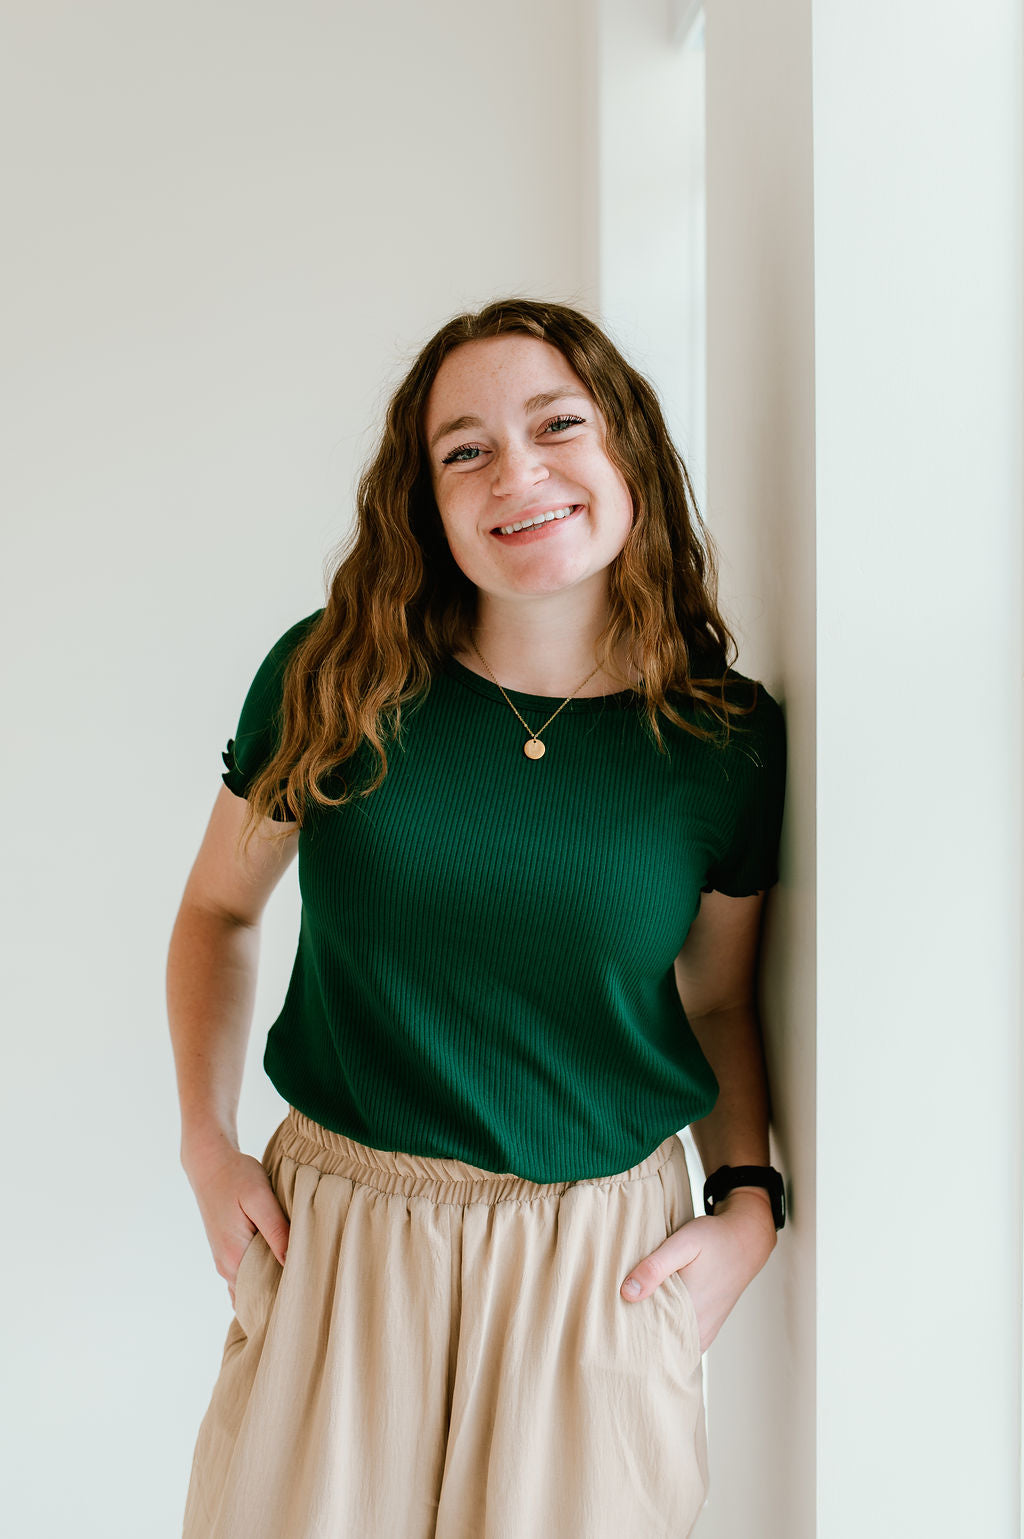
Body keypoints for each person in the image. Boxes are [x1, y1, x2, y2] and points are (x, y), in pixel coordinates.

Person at [167, 296, 787, 1539]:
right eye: (467, 451)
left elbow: (718, 998)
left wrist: (748, 1200)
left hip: (596, 1267)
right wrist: (205, 1141)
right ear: (428, 502)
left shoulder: (722, 741)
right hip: (342, 1240)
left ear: (627, 449)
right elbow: (218, 913)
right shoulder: (334, 678)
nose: (519, 473)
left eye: (558, 425)